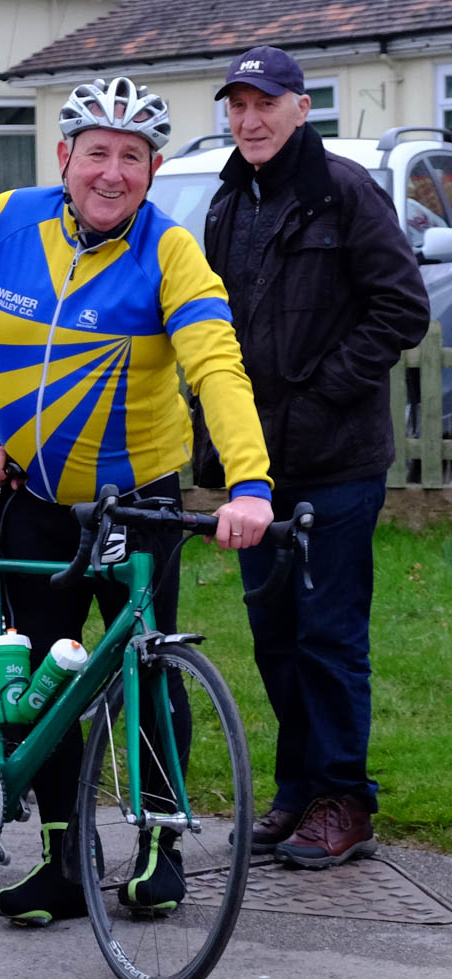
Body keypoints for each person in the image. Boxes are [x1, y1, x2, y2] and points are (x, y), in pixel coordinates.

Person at [0, 78, 275, 926]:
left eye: (132, 156)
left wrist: (248, 482)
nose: (112, 171)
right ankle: (61, 858)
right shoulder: (6, 222)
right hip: (34, 496)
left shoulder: (170, 252)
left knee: (149, 669)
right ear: (64, 156)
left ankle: (160, 848)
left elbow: (216, 364)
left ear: (155, 168)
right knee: (46, 682)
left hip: (137, 501)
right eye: (97, 151)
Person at [204, 47, 430, 868]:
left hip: (337, 459)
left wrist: (327, 388)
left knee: (330, 634)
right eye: (237, 105)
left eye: (265, 103)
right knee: (275, 634)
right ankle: (297, 789)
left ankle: (345, 801)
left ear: (302, 108)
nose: (249, 119)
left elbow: (403, 306)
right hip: (258, 468)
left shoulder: (343, 190)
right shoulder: (229, 202)